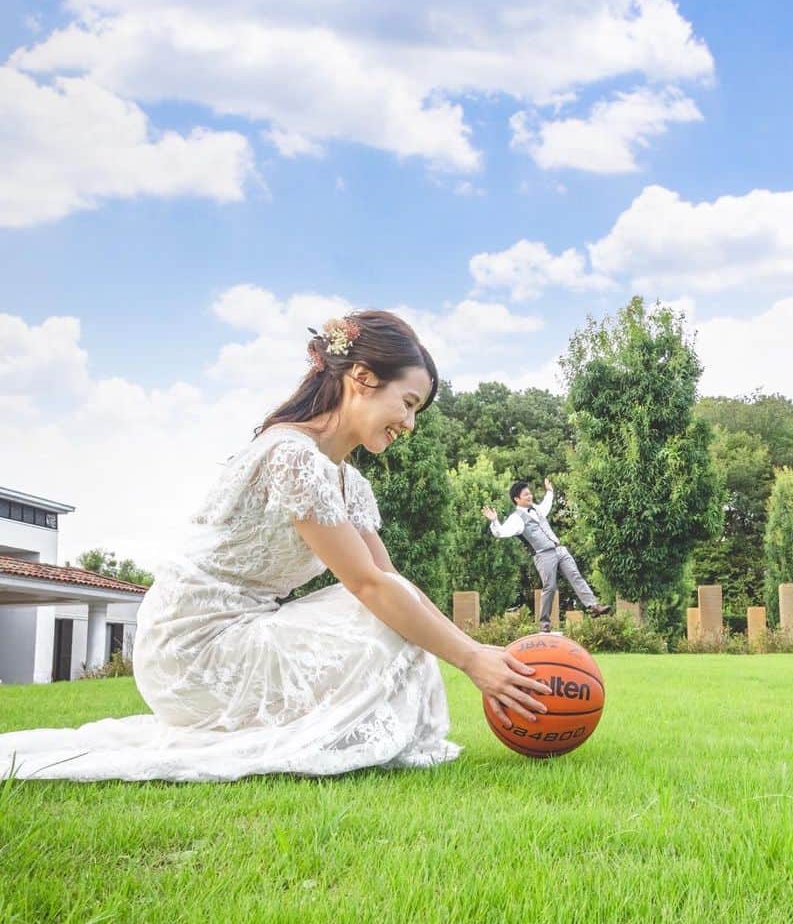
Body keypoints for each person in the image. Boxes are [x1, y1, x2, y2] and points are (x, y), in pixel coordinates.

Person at [0, 311, 550, 782]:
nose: (409, 423)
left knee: (394, 610)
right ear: (361, 377)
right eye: (406, 403)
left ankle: (368, 736)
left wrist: (473, 654)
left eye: (416, 411)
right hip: (192, 647)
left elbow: (390, 583)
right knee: (378, 611)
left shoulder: (349, 484)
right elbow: (366, 586)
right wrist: (472, 659)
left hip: (250, 629)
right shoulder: (291, 455)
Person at [482, 479, 611, 633]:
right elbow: (501, 532)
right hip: (543, 555)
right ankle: (544, 624)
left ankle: (593, 606)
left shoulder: (536, 509)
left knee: (576, 576)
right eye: (526, 495)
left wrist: (549, 491)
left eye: (530, 493)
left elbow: (546, 505)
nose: (530, 496)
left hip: (559, 549)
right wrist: (495, 521)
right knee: (550, 587)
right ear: (517, 499)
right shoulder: (516, 518)